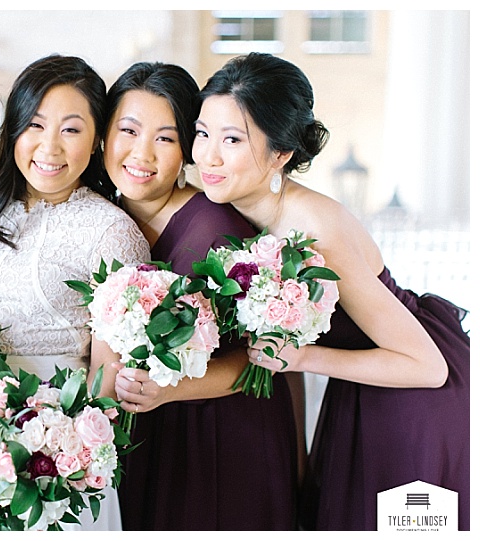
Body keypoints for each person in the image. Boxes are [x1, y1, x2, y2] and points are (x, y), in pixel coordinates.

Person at [193, 52, 469, 531]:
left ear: (280, 154)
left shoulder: (316, 229)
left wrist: (301, 359)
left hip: (410, 400)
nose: (208, 156)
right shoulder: (242, 213)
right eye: (202, 133)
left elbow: (426, 367)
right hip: (359, 389)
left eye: (232, 140)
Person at [0, 54, 150, 531]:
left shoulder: (111, 231)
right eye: (34, 125)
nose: (49, 147)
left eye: (71, 129)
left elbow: (109, 368)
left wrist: (63, 447)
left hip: (61, 450)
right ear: (13, 134)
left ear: (96, 142)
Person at [103, 61, 299, 530]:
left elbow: (260, 360)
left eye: (165, 138)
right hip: (152, 432)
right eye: (127, 130)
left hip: (222, 438)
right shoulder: (103, 219)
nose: (141, 153)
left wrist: (168, 390)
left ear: (187, 148)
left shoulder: (217, 231)